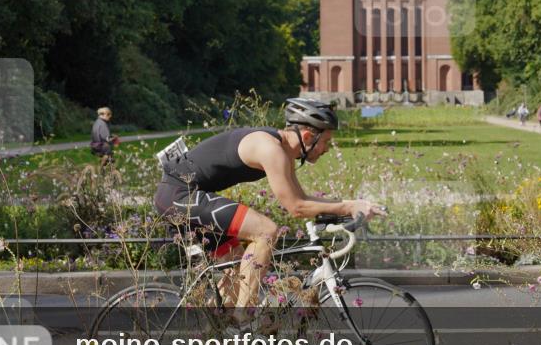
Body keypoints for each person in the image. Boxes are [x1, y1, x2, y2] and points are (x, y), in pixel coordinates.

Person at [153, 98, 386, 316]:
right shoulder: (271, 149)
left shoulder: (282, 150)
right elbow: (297, 207)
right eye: (325, 142)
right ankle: (244, 321)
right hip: (179, 194)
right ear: (307, 136)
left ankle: (216, 340)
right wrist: (347, 207)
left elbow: (302, 198)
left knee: (237, 276)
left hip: (185, 195)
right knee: (265, 231)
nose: (327, 149)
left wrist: (352, 205)